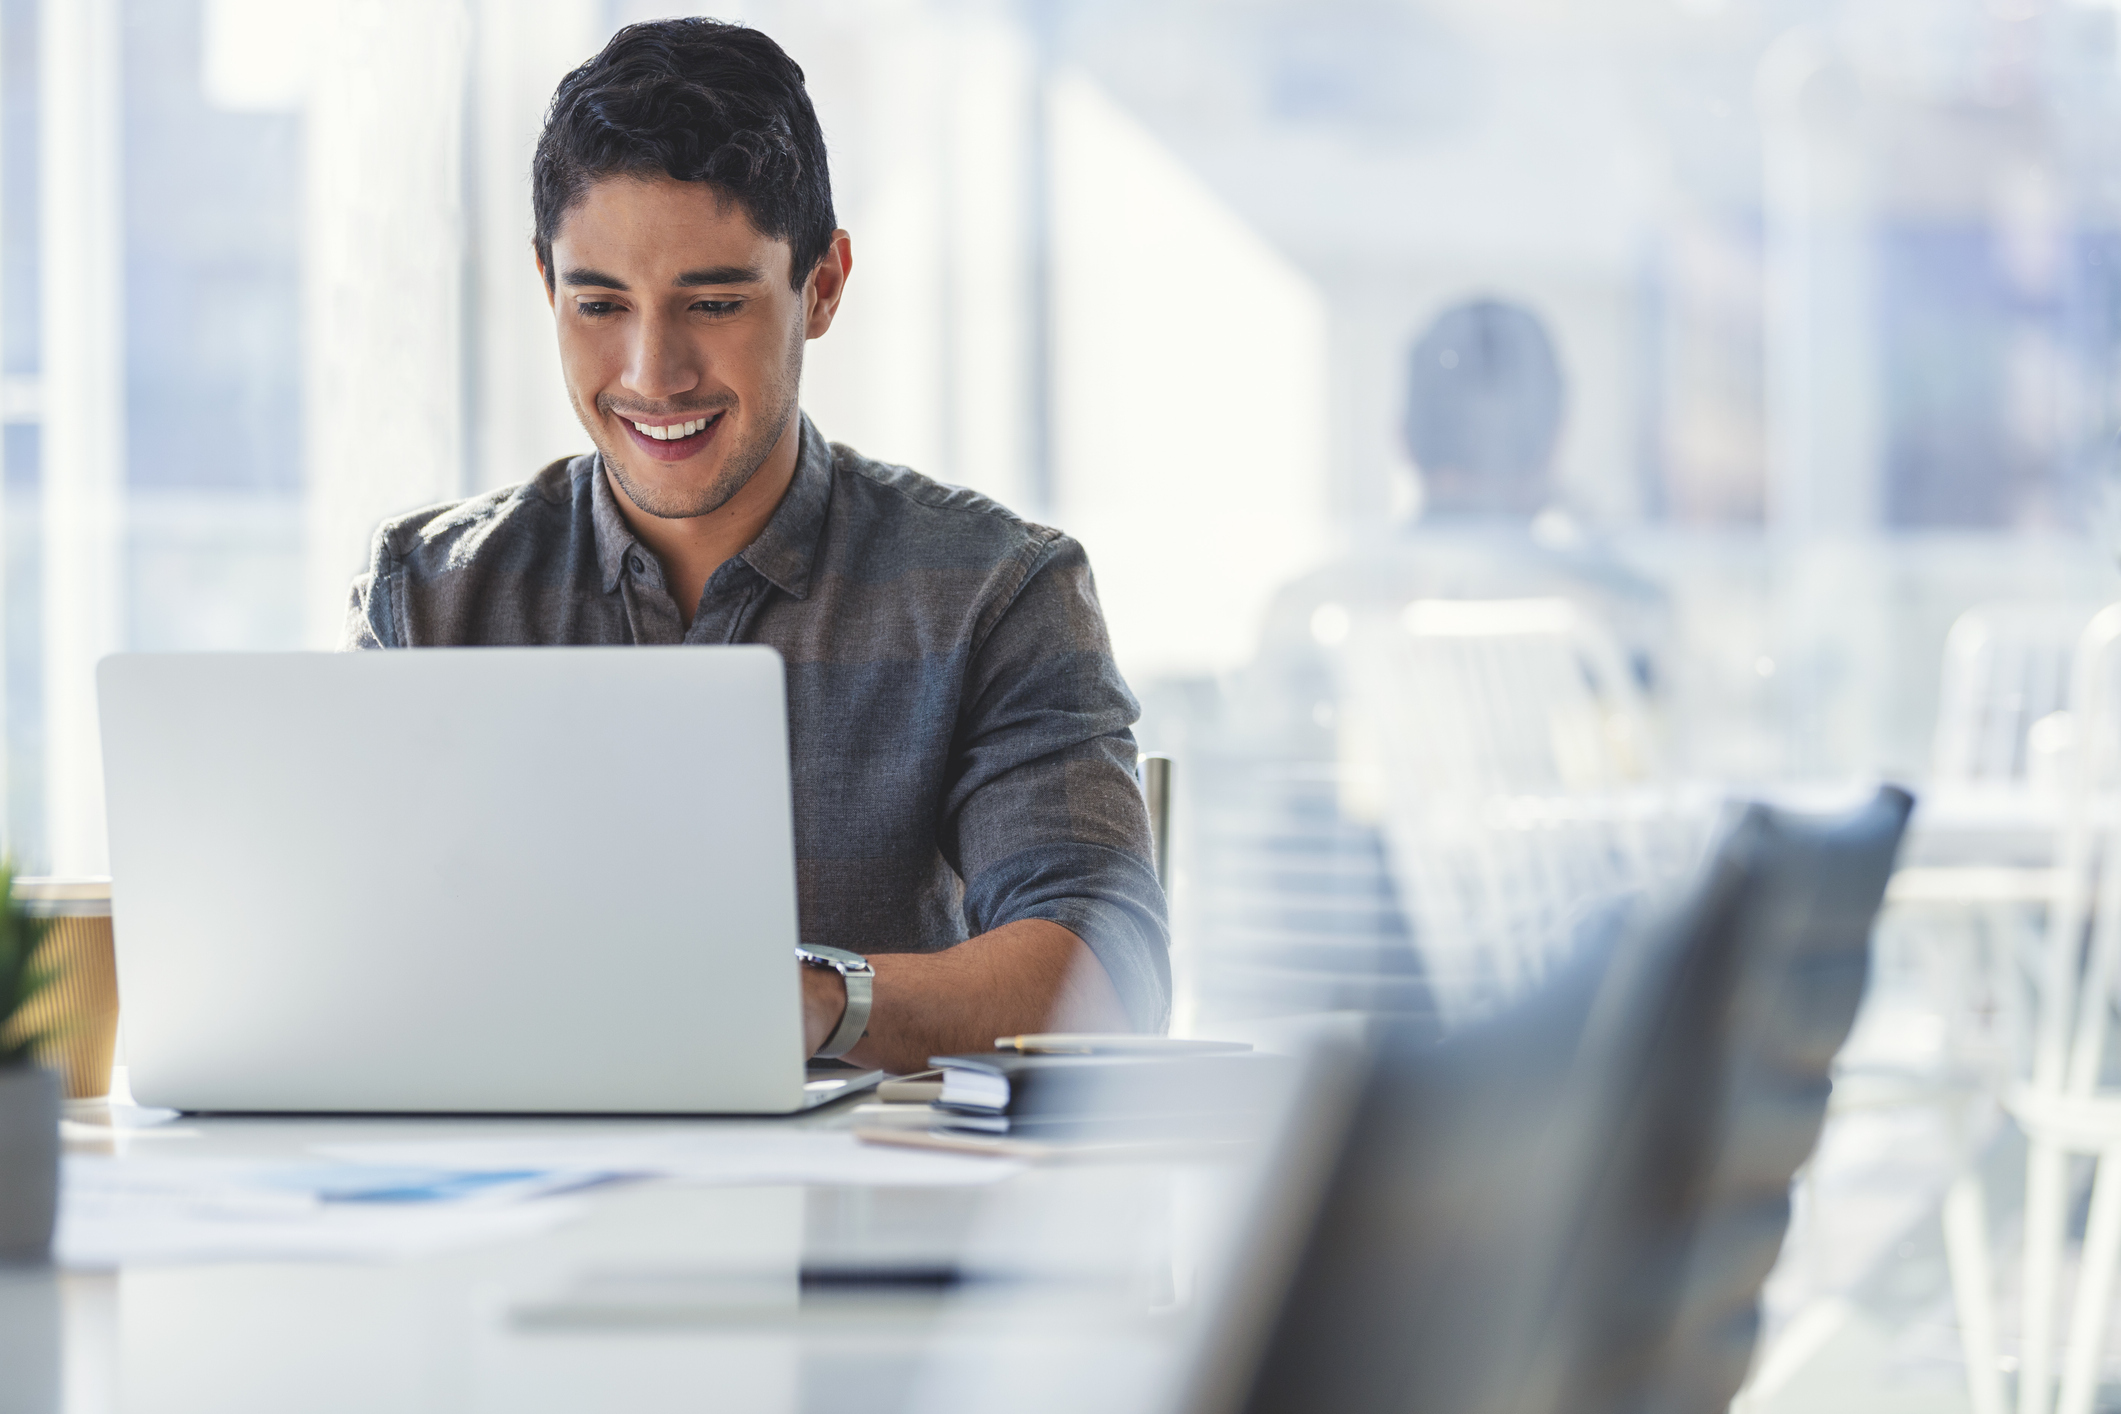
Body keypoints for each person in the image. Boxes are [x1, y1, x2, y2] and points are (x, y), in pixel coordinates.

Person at [341, 20, 1166, 1074]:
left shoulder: (994, 591)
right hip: (527, 1206)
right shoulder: (431, 595)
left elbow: (1110, 973)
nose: (653, 370)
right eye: (600, 303)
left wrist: (814, 1002)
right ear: (546, 285)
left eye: (714, 302)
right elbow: (356, 962)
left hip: (872, 1217)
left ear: (821, 286)